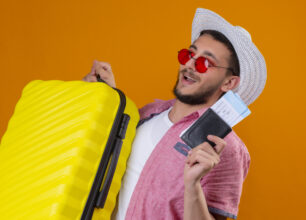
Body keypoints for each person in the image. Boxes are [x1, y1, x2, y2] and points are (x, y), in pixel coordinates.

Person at [83, 8, 266, 220]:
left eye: (205, 63)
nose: (189, 65)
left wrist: (193, 186)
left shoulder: (224, 148)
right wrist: (107, 96)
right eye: (189, 54)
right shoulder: (146, 114)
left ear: (229, 82)